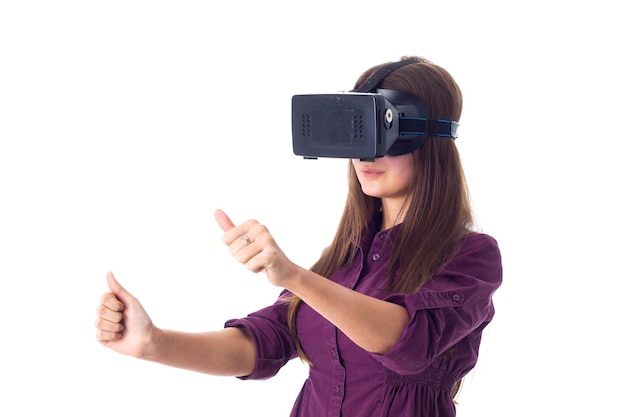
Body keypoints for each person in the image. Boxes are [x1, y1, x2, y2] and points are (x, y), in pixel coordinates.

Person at [95, 56, 502, 417]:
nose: (365, 155)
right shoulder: (343, 260)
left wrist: (294, 277)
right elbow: (262, 343)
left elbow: (406, 342)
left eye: (385, 133)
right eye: (357, 134)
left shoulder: (471, 257)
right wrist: (153, 343)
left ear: (431, 139)